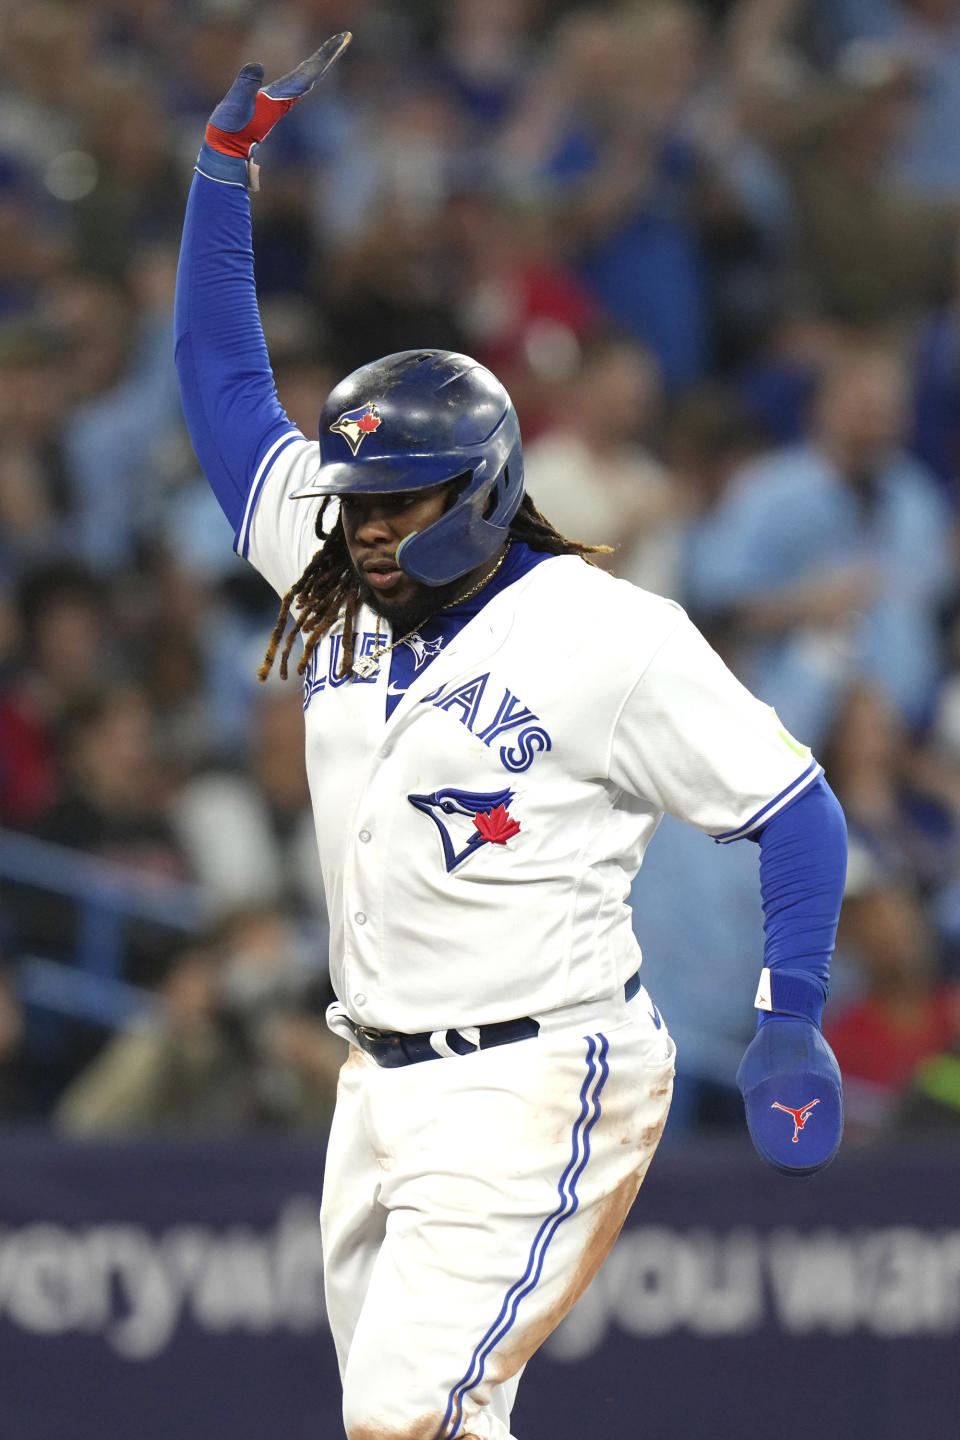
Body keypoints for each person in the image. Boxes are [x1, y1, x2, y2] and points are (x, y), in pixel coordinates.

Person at [174, 35, 848, 1440]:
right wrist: (222, 175)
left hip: (539, 1073)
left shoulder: (609, 635)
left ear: (478, 491)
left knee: (407, 1421)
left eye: (397, 503)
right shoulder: (334, 563)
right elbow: (226, 390)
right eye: (355, 498)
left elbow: (795, 808)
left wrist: (793, 1020)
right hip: (379, 1077)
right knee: (437, 1421)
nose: (361, 523)